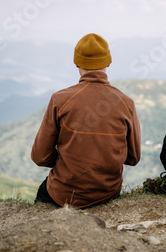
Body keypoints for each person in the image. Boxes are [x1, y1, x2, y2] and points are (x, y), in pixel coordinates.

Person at [31, 33, 141, 209]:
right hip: (108, 193)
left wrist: (65, 162)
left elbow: (39, 157)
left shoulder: (60, 99)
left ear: (76, 62)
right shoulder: (126, 103)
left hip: (63, 193)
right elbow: (133, 158)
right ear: (108, 62)